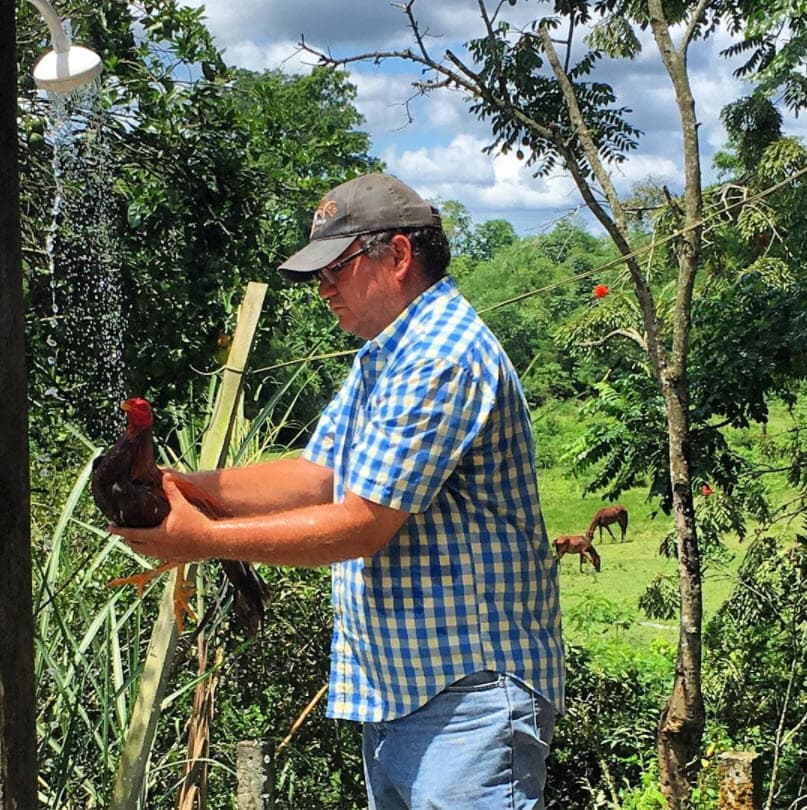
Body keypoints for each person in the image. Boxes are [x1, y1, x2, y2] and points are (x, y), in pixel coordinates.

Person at [113, 173, 565, 809]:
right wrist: (180, 485)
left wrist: (205, 538)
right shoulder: (385, 355)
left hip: (467, 699)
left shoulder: (442, 355)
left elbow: (362, 521)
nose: (322, 287)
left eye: (336, 266)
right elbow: (316, 474)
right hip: (411, 691)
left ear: (399, 257)